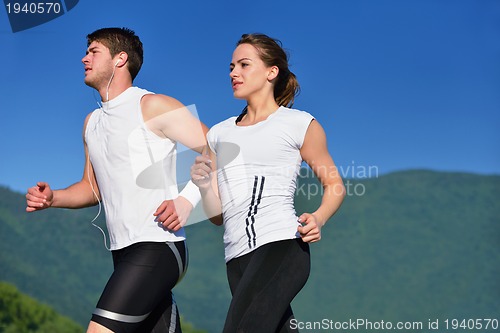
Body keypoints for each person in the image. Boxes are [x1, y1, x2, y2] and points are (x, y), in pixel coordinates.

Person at [25, 27, 208, 333]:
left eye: (93, 51)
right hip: (121, 252)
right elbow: (91, 188)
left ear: (120, 59)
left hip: (158, 244)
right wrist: (53, 198)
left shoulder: (151, 105)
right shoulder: (91, 123)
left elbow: (220, 147)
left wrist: (187, 200)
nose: (84, 58)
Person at [191, 33, 346, 333]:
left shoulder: (299, 124)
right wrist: (204, 185)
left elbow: (334, 184)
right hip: (235, 259)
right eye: (231, 66)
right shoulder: (219, 134)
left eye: (244, 64)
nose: (233, 73)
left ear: (271, 72)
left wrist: (319, 217)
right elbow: (219, 216)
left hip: (281, 246)